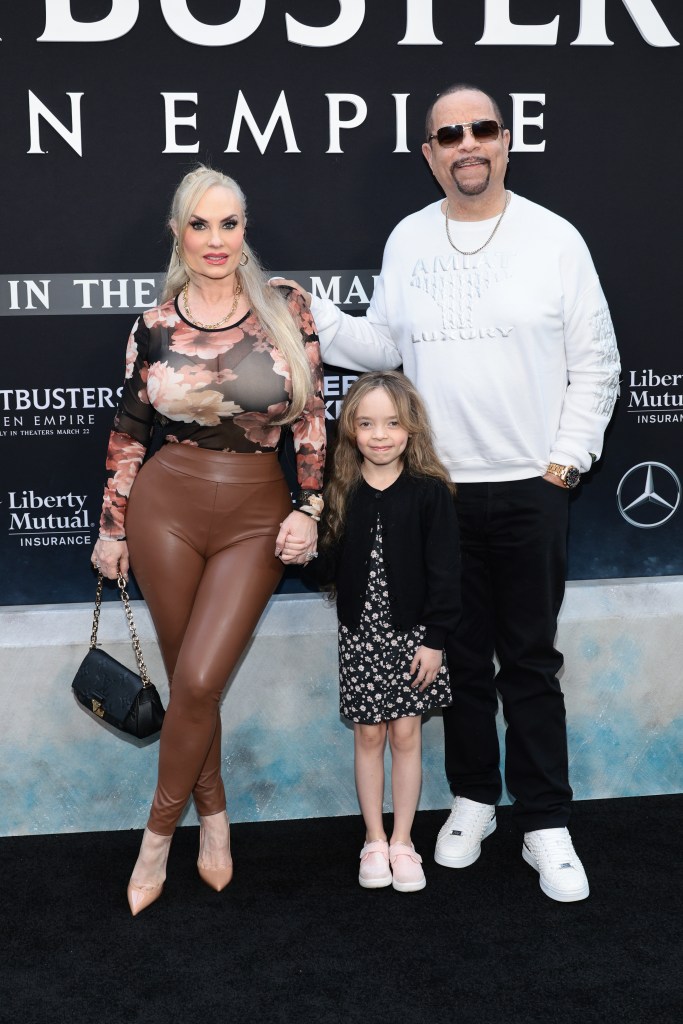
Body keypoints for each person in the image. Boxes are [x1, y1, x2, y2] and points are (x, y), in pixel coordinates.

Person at [274, 84, 620, 902]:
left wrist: (562, 467)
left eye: (481, 129)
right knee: (455, 661)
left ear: (504, 141)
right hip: (438, 496)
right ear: (429, 154)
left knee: (528, 661)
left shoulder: (554, 239)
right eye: (448, 134)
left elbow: (596, 361)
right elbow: (382, 347)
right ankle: (472, 800)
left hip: (532, 487)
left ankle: (544, 822)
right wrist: (309, 312)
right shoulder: (408, 238)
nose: (467, 143)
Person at [91, 165, 326, 916]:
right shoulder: (154, 326)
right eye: (200, 224)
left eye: (229, 223)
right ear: (178, 234)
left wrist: (311, 507)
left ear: (245, 229)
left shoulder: (286, 307)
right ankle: (214, 816)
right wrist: (112, 526)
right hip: (165, 507)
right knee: (191, 679)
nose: (215, 239)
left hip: (257, 512)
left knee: (196, 682)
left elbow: (311, 418)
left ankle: (156, 837)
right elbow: (130, 430)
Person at [314, 371, 460, 892]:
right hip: (360, 635)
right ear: (350, 430)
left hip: (415, 638)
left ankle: (403, 842)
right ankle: (373, 840)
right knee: (369, 734)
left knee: (406, 733)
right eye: (367, 423)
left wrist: (435, 640)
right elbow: (324, 569)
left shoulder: (430, 492)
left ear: (411, 428)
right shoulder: (338, 491)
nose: (380, 435)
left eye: (393, 423)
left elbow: (446, 573)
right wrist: (302, 536)